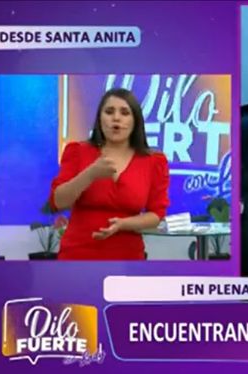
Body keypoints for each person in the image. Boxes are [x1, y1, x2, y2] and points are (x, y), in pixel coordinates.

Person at [48, 88, 170, 260]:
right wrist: (90, 174)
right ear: (100, 118)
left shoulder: (154, 161)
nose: (116, 118)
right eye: (109, 112)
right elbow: (58, 202)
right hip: (78, 254)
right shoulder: (78, 152)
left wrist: (123, 224)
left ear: (135, 121)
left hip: (128, 257)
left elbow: (156, 215)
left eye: (125, 113)